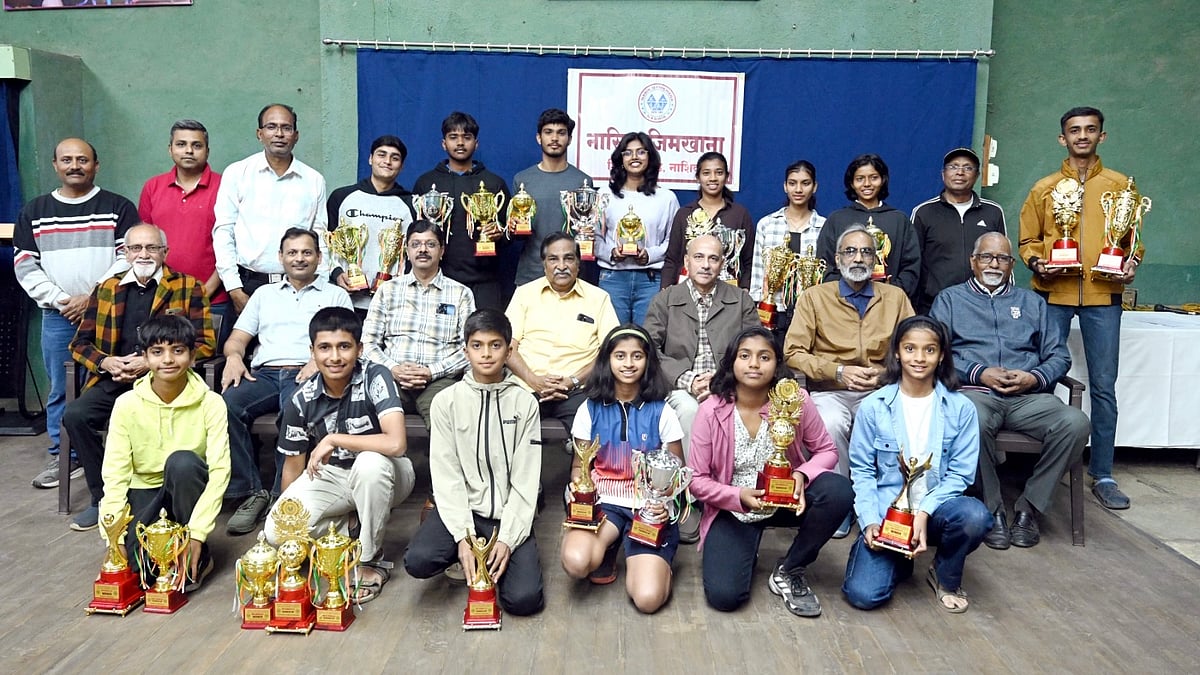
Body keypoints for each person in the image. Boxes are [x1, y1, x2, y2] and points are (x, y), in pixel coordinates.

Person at [930, 232, 1089, 549]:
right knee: (969, 417)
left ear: (1011, 264)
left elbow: (1059, 356)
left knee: (1076, 423)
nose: (994, 264)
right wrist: (980, 372)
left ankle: (1029, 508)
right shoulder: (950, 300)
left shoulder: (1031, 302)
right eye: (986, 257)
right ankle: (993, 510)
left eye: (1002, 258)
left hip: (1027, 397)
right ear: (973, 262)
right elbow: (936, 353)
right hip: (975, 393)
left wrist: (1034, 378)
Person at [1018, 106, 1139, 511]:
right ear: (1062, 138)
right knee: (1042, 379)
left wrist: (1131, 263)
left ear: (1102, 136)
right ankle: (1033, 468)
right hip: (1052, 295)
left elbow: (1132, 239)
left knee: (1104, 387)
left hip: (1104, 296)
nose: (1082, 136)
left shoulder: (1121, 187)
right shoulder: (1045, 188)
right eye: (1074, 130)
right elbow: (1027, 242)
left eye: (1090, 130)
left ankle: (1102, 473)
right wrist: (1038, 263)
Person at [688, 327, 853, 616]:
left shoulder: (795, 400)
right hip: (735, 506)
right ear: (731, 362)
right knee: (725, 597)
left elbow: (827, 450)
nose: (754, 364)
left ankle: (790, 568)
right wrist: (738, 495)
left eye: (764, 357)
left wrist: (801, 475)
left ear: (777, 363)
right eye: (745, 356)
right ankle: (743, 550)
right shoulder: (711, 410)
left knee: (838, 490)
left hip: (786, 498)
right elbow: (697, 481)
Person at [62, 223, 214, 531]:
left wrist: (151, 362)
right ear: (125, 253)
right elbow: (78, 344)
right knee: (75, 415)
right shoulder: (107, 288)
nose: (143, 254)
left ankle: (162, 498)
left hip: (165, 383)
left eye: (152, 248)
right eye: (136, 248)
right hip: (114, 380)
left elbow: (205, 343)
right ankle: (103, 499)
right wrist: (106, 363)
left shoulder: (187, 286)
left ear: (164, 252)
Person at [841, 316, 993, 613]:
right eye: (910, 348)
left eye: (929, 350)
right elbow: (861, 471)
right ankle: (898, 558)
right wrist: (870, 521)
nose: (919, 358)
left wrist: (923, 512)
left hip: (936, 513)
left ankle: (946, 575)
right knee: (863, 596)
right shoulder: (875, 405)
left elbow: (961, 474)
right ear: (896, 352)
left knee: (974, 516)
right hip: (888, 516)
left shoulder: (961, 408)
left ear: (941, 355)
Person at [265, 307, 416, 603]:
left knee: (370, 464)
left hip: (387, 471)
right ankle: (349, 532)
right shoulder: (302, 398)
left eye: (344, 346)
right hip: (332, 476)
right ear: (312, 351)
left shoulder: (376, 375)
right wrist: (287, 514)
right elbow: (293, 468)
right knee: (276, 531)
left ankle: (370, 560)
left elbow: (397, 443)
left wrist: (334, 438)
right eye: (325, 348)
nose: (335, 357)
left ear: (359, 349)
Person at [14, 137, 137, 489]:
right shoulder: (34, 211)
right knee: (60, 388)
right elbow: (25, 264)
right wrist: (60, 299)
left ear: (96, 165)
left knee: (111, 382)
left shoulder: (118, 207)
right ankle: (64, 457)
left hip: (110, 313)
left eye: (82, 159)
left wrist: (93, 296)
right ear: (55, 165)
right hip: (59, 316)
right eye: (66, 159)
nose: (74, 165)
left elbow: (127, 257)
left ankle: (115, 456)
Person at [404, 309, 545, 617]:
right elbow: (447, 475)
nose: (486, 354)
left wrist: (508, 538)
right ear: (465, 349)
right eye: (477, 345)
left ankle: (494, 558)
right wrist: (463, 536)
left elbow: (526, 479)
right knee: (418, 560)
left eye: (495, 345)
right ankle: (466, 556)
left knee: (524, 600)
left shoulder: (525, 403)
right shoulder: (446, 402)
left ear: (509, 351)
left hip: (507, 514)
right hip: (463, 510)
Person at [784, 224, 915, 539]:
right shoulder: (815, 297)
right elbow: (793, 352)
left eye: (866, 251)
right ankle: (840, 504)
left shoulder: (895, 297)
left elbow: (914, 344)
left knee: (899, 425)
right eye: (850, 251)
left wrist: (888, 374)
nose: (858, 258)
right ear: (837, 257)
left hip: (883, 389)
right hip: (832, 390)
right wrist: (837, 371)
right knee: (829, 422)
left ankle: (887, 507)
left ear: (876, 259)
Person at [220, 228, 353, 536]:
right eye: (292, 253)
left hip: (308, 373)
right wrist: (234, 357)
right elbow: (237, 339)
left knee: (293, 410)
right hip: (264, 374)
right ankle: (252, 491)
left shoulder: (335, 294)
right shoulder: (264, 296)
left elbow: (344, 342)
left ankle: (284, 498)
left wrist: (316, 362)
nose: (299, 258)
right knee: (225, 405)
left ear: (319, 258)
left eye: (307, 252)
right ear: (280, 258)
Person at [559, 324, 685, 614]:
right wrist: (582, 494)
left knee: (648, 599)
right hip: (606, 503)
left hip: (649, 508)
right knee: (577, 562)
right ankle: (611, 543)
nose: (628, 364)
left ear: (648, 361)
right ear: (607, 360)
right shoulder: (588, 408)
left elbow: (676, 470)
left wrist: (663, 503)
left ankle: (650, 556)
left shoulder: (662, 410)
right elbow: (580, 466)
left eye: (637, 356)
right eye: (620, 356)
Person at [98, 315, 229, 592]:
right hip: (143, 490)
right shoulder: (126, 404)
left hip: (185, 489)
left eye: (178, 350)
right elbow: (115, 472)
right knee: (142, 572)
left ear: (193, 356)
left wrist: (197, 534)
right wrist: (114, 536)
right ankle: (159, 550)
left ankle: (199, 554)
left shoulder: (212, 403)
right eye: (157, 352)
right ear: (144, 357)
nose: (168, 360)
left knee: (182, 462)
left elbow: (219, 472)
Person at [644, 234, 759, 543]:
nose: (706, 265)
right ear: (686, 262)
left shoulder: (741, 300)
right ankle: (692, 497)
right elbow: (649, 349)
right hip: (681, 386)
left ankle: (733, 492)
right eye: (699, 257)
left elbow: (755, 348)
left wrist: (721, 380)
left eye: (713, 259)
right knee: (691, 408)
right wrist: (687, 379)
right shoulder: (666, 299)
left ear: (723, 263)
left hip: (732, 385)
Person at [213, 104, 328, 314]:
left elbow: (320, 236)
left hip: (299, 285)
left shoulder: (314, 180)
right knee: (243, 347)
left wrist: (321, 286)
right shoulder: (238, 173)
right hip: (248, 285)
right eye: (271, 127)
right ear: (260, 134)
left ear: (296, 135)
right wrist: (234, 288)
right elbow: (223, 232)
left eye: (286, 128)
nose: (279, 134)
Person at [360, 220, 474, 429]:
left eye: (430, 244)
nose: (423, 249)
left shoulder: (461, 293)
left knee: (446, 422)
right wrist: (393, 369)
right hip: (393, 377)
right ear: (407, 250)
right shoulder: (388, 290)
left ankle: (441, 463)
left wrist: (431, 371)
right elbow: (367, 344)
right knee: (366, 413)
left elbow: (469, 349)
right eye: (416, 244)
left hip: (440, 381)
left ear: (441, 251)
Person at [505, 232, 619, 434]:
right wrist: (534, 380)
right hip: (526, 386)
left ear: (578, 263)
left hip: (578, 390)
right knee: (507, 432)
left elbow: (609, 352)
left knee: (592, 433)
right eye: (553, 259)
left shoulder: (599, 298)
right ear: (544, 264)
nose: (562, 266)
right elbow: (508, 347)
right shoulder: (525, 294)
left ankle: (579, 467)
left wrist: (572, 381)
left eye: (569, 258)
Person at [138, 120, 229, 345]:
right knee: (164, 366)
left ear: (207, 151)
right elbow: (144, 247)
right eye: (181, 144)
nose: (188, 150)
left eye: (197, 145)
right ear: (170, 149)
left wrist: (202, 294)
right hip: (161, 298)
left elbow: (232, 246)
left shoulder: (225, 186)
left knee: (210, 371)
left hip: (213, 299)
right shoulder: (153, 187)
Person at [412, 112, 511, 311]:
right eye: (453, 137)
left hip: (485, 282)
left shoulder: (494, 183)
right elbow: (417, 232)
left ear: (476, 143)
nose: (460, 143)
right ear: (443, 143)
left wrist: (500, 234)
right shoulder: (425, 183)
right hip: (439, 280)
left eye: (467, 137)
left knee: (484, 338)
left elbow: (509, 233)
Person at [596, 131, 680, 325]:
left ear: (650, 157)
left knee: (647, 340)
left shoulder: (667, 198)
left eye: (641, 152)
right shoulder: (604, 195)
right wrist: (611, 253)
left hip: (650, 280)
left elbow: (673, 241)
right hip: (613, 277)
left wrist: (649, 254)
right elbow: (592, 237)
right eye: (627, 152)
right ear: (620, 159)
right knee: (614, 339)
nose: (634, 157)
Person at [325, 134, 415, 314]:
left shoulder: (411, 204)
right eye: (381, 155)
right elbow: (325, 243)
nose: (387, 161)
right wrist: (336, 274)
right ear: (370, 159)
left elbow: (414, 252)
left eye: (395, 158)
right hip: (346, 299)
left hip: (392, 303)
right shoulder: (341, 197)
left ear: (402, 166)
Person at [910, 148, 1007, 314]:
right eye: (953, 167)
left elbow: (1004, 258)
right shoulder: (923, 212)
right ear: (943, 174)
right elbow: (912, 262)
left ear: (976, 176)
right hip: (934, 305)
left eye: (968, 168)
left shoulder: (993, 212)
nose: (960, 172)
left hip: (982, 304)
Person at [816, 154, 921, 304]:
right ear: (851, 183)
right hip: (843, 303)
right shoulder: (837, 219)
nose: (867, 184)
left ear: (883, 180)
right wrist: (848, 291)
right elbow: (824, 265)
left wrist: (891, 291)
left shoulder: (899, 220)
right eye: (860, 179)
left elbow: (911, 266)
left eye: (873, 177)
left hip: (889, 302)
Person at [512, 109, 596, 286]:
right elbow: (517, 233)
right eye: (548, 132)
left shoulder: (583, 182)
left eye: (561, 133)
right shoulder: (522, 180)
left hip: (571, 275)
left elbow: (587, 228)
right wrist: (513, 227)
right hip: (532, 273)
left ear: (570, 139)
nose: (555, 138)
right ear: (539, 138)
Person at [749, 160, 826, 342]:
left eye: (805, 183)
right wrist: (760, 312)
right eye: (792, 183)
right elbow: (758, 275)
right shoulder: (767, 224)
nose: (798, 189)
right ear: (785, 186)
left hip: (810, 314)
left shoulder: (825, 227)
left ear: (814, 187)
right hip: (773, 311)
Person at [661, 152, 755, 288]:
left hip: (729, 292)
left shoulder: (739, 214)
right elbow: (672, 259)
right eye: (706, 173)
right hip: (688, 291)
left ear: (727, 177)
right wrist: (665, 290)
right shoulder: (684, 214)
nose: (713, 178)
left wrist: (745, 289)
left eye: (719, 172)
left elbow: (748, 260)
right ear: (697, 178)